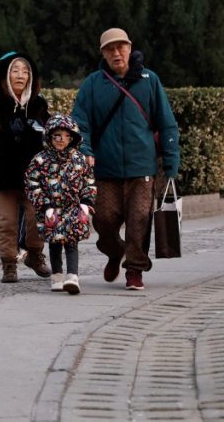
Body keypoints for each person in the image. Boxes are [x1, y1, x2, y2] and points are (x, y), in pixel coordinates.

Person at [71, 28, 180, 290]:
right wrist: (85, 150)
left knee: (139, 219)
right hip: (104, 168)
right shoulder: (93, 84)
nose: (116, 53)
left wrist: (171, 159)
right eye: (110, 49)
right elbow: (79, 123)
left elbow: (166, 123)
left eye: (121, 47)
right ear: (103, 54)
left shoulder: (149, 80)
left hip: (141, 166)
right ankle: (114, 251)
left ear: (130, 49)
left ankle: (135, 270)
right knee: (103, 220)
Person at [0, 51, 52, 283]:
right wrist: (22, 132)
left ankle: (35, 254)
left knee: (36, 218)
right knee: (7, 222)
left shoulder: (39, 104)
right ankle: (9, 264)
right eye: (15, 70)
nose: (20, 75)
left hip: (34, 175)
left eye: (25, 71)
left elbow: (45, 136)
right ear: (5, 75)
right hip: (3, 173)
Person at [24, 114, 97, 294]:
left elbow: (89, 182)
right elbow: (31, 183)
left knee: (72, 242)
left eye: (65, 136)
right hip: (51, 209)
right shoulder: (40, 160)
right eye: (56, 136)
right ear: (49, 136)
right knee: (55, 243)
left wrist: (86, 202)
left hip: (73, 208)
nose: (60, 140)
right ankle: (57, 275)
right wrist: (45, 206)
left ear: (72, 138)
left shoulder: (79, 159)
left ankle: (72, 276)